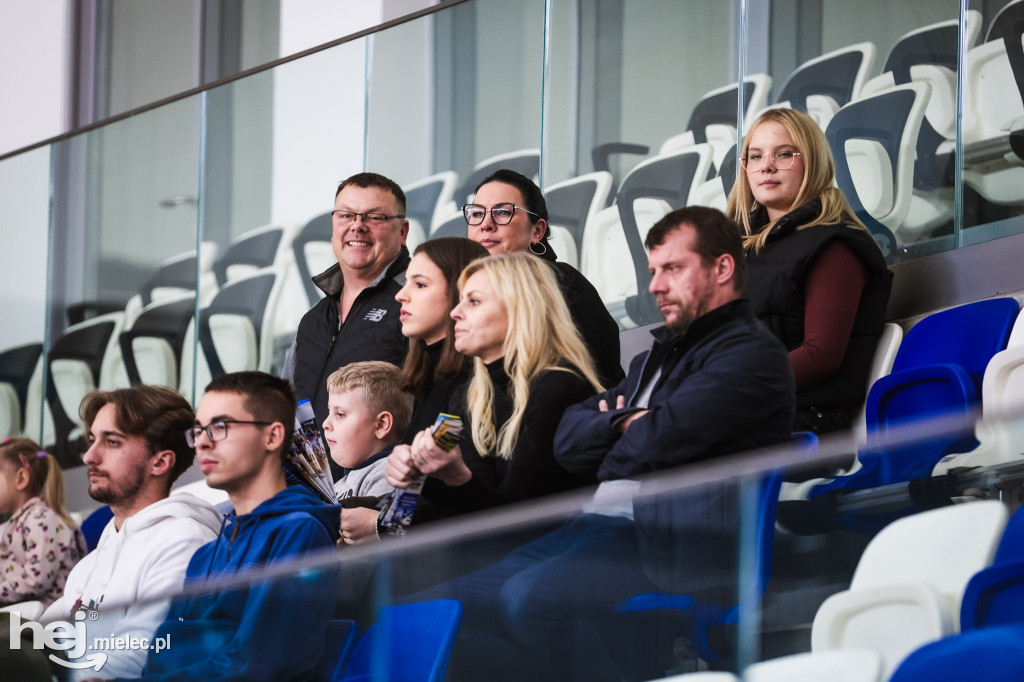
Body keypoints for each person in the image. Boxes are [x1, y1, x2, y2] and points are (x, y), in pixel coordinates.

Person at [418, 206, 795, 681]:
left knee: (525, 599)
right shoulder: (652, 361)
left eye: (672, 269)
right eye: (653, 271)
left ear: (722, 269)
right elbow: (569, 443)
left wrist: (619, 428)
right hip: (596, 528)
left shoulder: (750, 355)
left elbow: (652, 443)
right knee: (435, 605)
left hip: (671, 545)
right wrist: (624, 424)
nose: (655, 285)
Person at [121, 371, 340, 682]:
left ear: (273, 436)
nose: (203, 443)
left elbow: (252, 664)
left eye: (220, 427)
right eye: (197, 431)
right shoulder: (205, 554)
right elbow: (160, 656)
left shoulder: (299, 533)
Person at [387, 252, 604, 514]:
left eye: (474, 302)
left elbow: (517, 519)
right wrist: (415, 473)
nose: (455, 313)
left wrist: (454, 477)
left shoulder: (559, 386)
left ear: (520, 309)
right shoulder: (467, 395)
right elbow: (470, 504)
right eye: (459, 302)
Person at [726, 107, 893, 434]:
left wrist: (729, 391)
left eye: (784, 154)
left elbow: (820, 355)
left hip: (806, 421)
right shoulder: (745, 249)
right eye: (756, 157)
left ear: (813, 161)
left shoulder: (833, 244)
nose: (767, 167)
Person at [42, 385, 222, 681]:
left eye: (112, 442)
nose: (89, 456)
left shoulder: (185, 540)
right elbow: (50, 643)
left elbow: (143, 655)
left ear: (160, 462)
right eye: (91, 440)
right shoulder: (91, 562)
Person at [463, 169, 625, 386]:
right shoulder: (465, 296)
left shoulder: (562, 284)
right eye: (476, 213)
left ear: (537, 231)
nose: (486, 224)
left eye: (502, 212)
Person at [286, 172, 412, 427]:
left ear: (403, 231)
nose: (357, 226)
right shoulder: (313, 320)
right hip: (308, 468)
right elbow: (288, 408)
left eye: (375, 217)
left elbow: (449, 405)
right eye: (346, 215)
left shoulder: (415, 303)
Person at [394, 237, 489, 439]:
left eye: (420, 285)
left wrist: (410, 465)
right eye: (405, 283)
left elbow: (438, 455)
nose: (401, 295)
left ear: (460, 293)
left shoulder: (471, 385)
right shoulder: (428, 375)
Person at [324, 361, 413, 545]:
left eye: (340, 414)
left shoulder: (388, 472)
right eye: (329, 412)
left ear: (381, 425)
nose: (326, 423)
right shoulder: (345, 479)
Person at [0, 438, 85, 608]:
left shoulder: (43, 520)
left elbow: (35, 582)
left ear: (21, 478)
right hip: (22, 610)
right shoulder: (14, 524)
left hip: (45, 616)